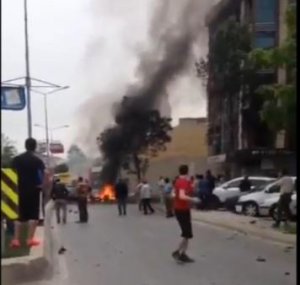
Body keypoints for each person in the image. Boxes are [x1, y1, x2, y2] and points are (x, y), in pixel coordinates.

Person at [10, 138, 45, 248]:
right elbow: (40, 176)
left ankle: (16, 240)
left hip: (18, 190)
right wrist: (41, 185)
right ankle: (30, 239)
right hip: (33, 191)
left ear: (25, 146)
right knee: (33, 216)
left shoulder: (16, 160)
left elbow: (11, 174)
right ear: (34, 147)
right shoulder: (37, 161)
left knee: (19, 216)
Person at [172, 165, 200, 263]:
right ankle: (177, 252)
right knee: (186, 233)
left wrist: (194, 184)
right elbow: (182, 196)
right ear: (187, 172)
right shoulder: (182, 182)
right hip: (181, 210)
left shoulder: (181, 181)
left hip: (183, 209)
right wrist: (194, 199)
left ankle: (183, 254)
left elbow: (176, 193)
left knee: (187, 234)